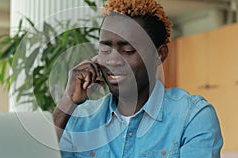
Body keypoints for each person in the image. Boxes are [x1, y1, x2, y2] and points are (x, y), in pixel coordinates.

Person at [53, 0, 223, 157]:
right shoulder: (80, 119)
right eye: (105, 51)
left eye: (127, 50)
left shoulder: (192, 117)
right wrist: (68, 102)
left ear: (159, 55)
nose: (112, 60)